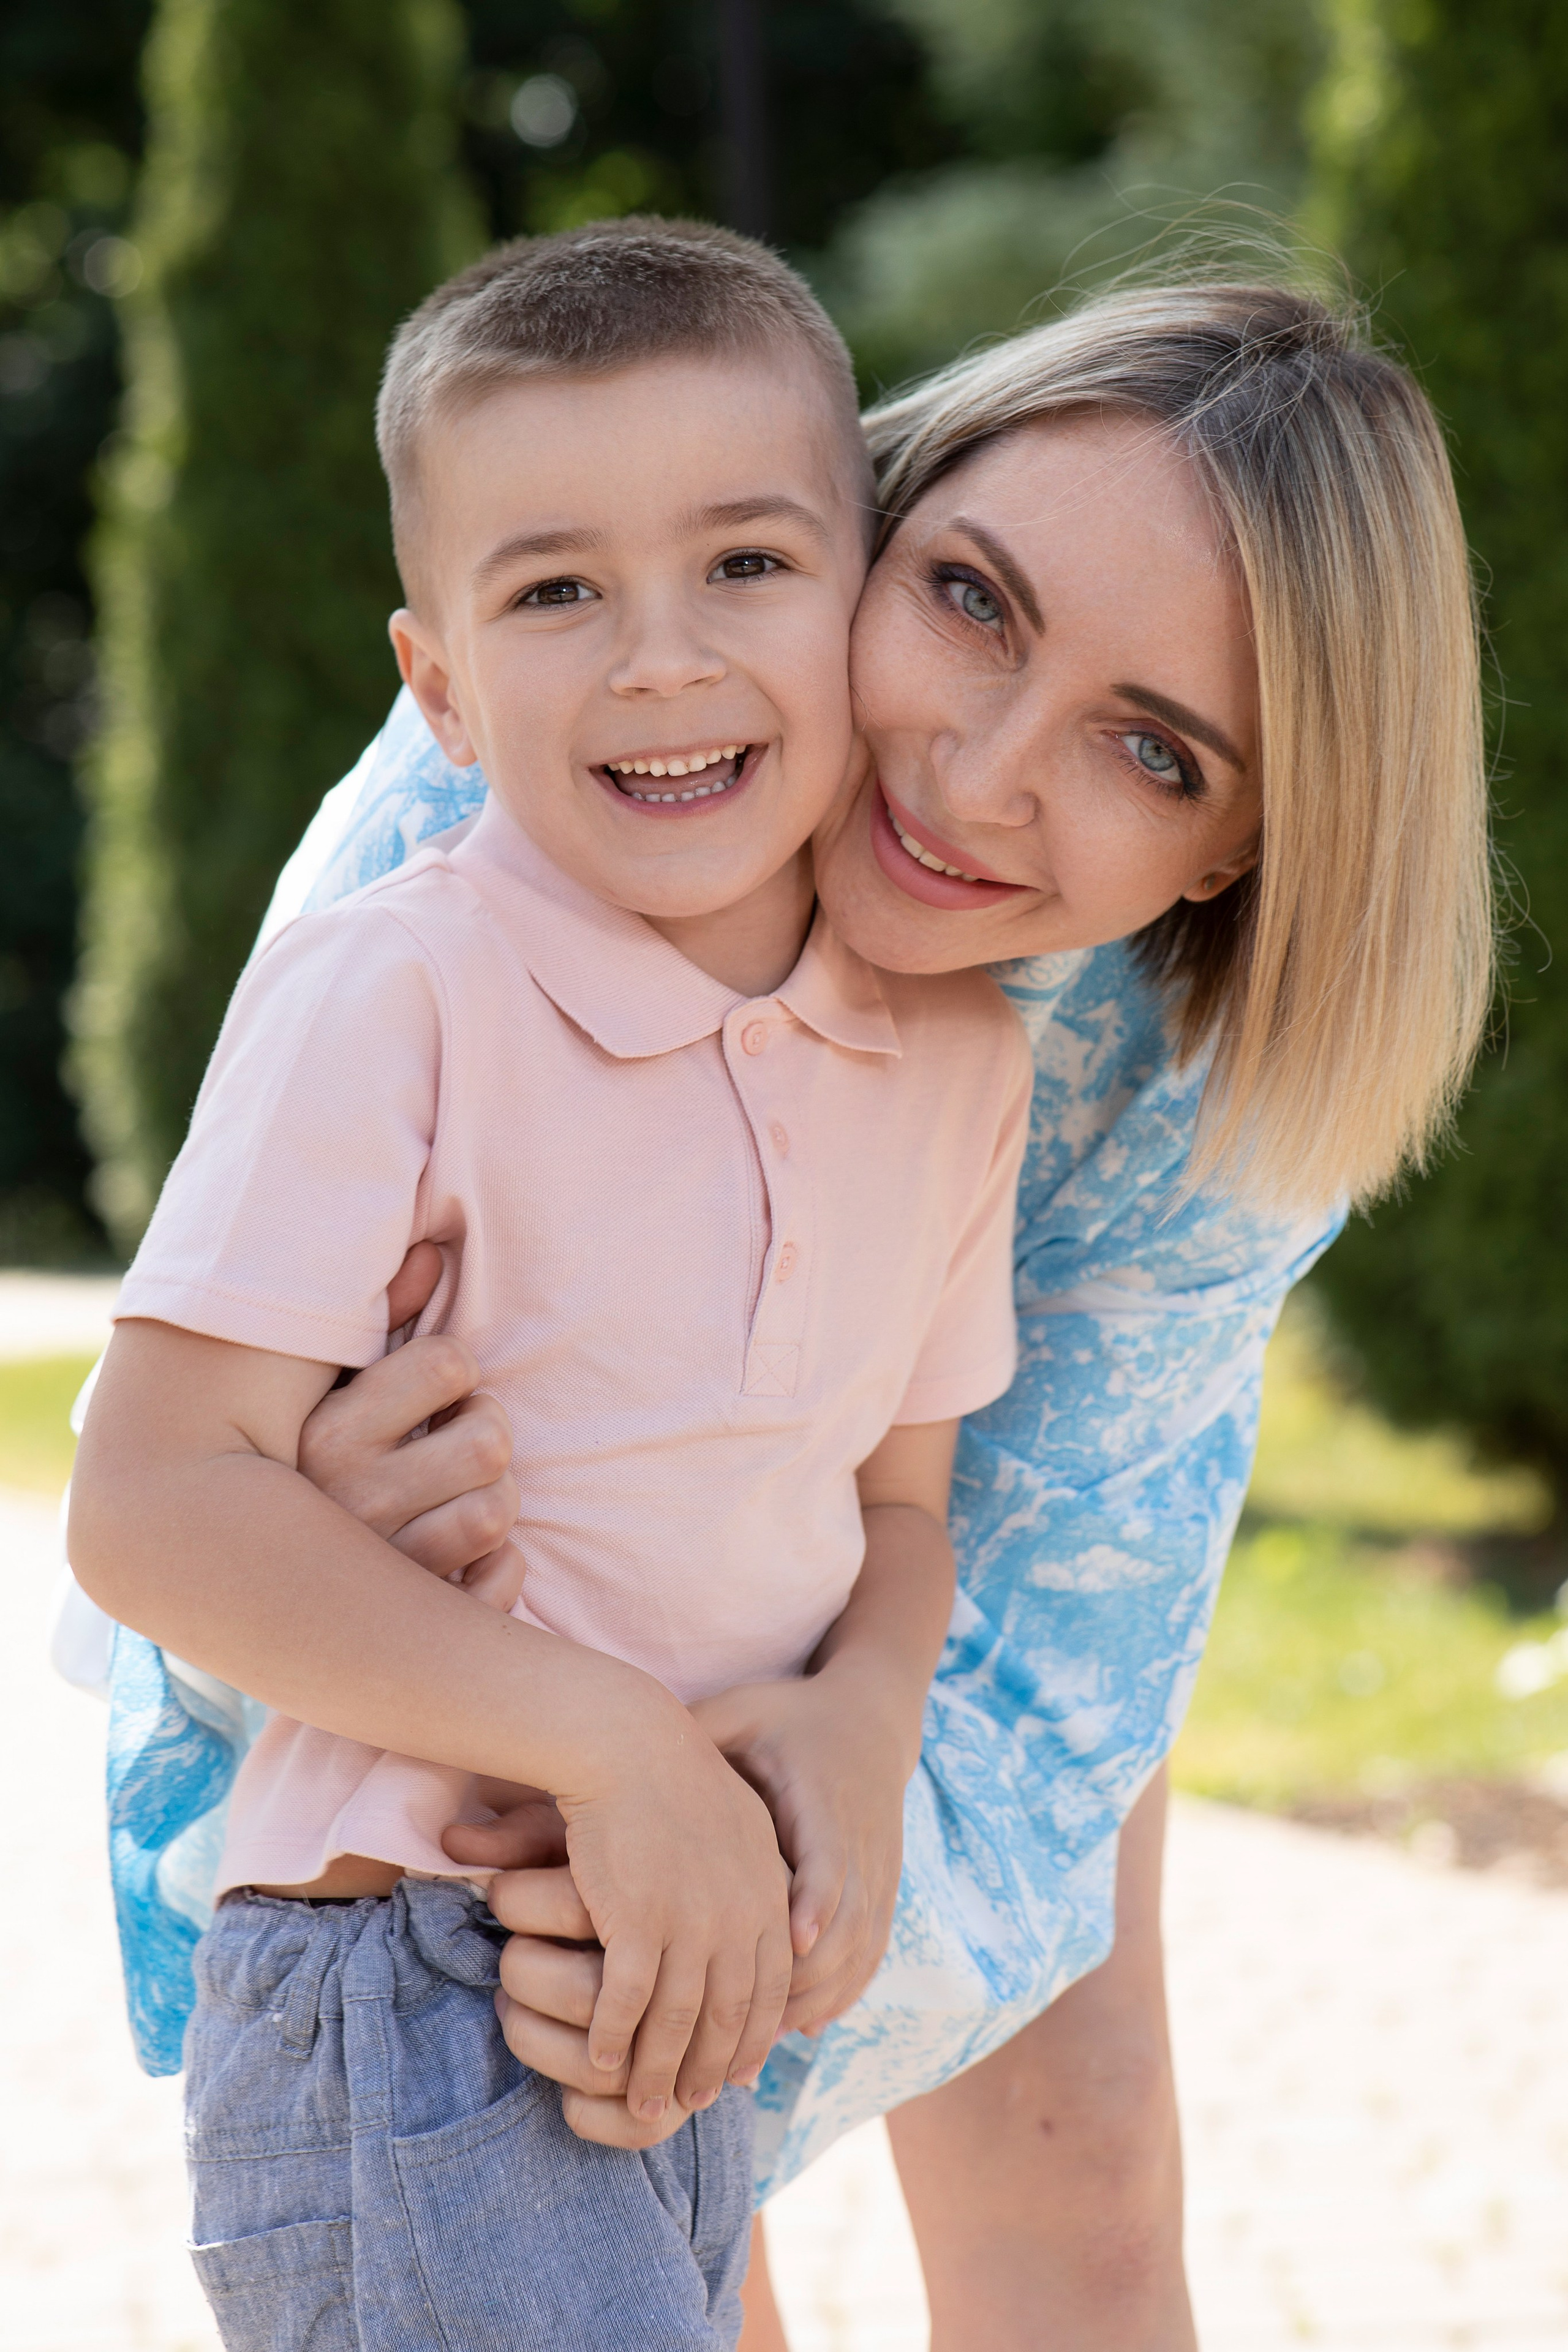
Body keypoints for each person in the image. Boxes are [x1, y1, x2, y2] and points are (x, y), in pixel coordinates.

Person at [79, 260, 1490, 2348]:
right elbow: (181, 1491)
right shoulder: (520, 790)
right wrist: (590, 1796)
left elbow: (977, 1594)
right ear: (869, 512)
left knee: (1073, 2171)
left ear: (1249, 849)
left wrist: (845, 1738)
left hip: (828, 1666)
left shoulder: (1144, 1099)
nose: (983, 774)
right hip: (459, 1832)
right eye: (973, 602)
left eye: (1153, 749)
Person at [67, 219, 1036, 2351]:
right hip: (411, 1969)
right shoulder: (398, 988)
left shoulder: (962, 1059)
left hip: (678, 1979)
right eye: (556, 590)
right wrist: (616, 1750)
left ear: (865, 593)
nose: (661, 660)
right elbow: (149, 1502)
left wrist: (865, 1736)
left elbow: (896, 1507)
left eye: (747, 566)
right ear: (440, 684)